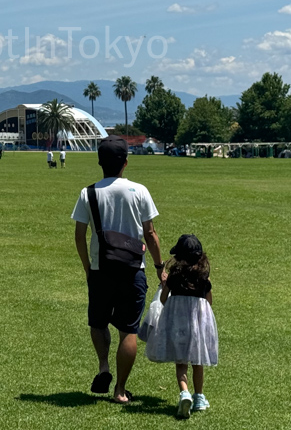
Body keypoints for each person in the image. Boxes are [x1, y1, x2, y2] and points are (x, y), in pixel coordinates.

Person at [72, 135, 163, 404]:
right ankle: (120, 390)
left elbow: (79, 235)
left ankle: (103, 366)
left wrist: (88, 268)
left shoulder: (88, 193)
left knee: (98, 323)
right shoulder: (139, 191)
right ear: (125, 162)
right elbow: (151, 234)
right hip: (133, 269)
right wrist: (159, 266)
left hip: (101, 270)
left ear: (100, 162)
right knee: (128, 330)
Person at [144, 234, 218, 419]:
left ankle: (184, 392)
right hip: (198, 324)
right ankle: (199, 396)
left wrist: (165, 285)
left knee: (181, 361)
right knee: (197, 361)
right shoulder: (203, 277)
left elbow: (163, 299)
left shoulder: (174, 276)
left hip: (178, 324)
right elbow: (209, 301)